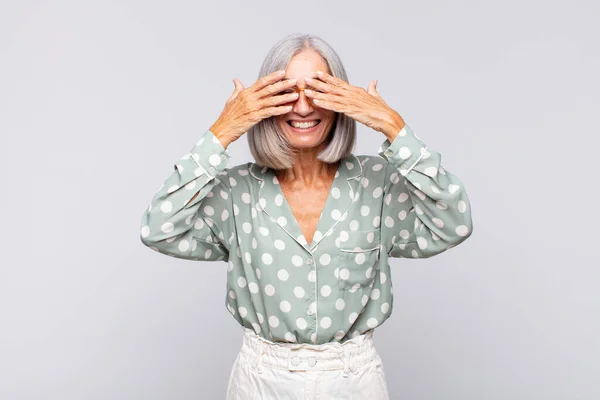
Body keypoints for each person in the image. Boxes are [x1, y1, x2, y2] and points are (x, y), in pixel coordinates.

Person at [139, 33, 473, 400]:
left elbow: (455, 222)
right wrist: (222, 132)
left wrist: (395, 128)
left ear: (342, 99)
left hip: (354, 381)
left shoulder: (377, 184)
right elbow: (158, 229)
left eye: (317, 90)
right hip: (261, 383)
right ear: (262, 102)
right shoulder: (236, 192)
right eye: (286, 92)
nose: (302, 108)